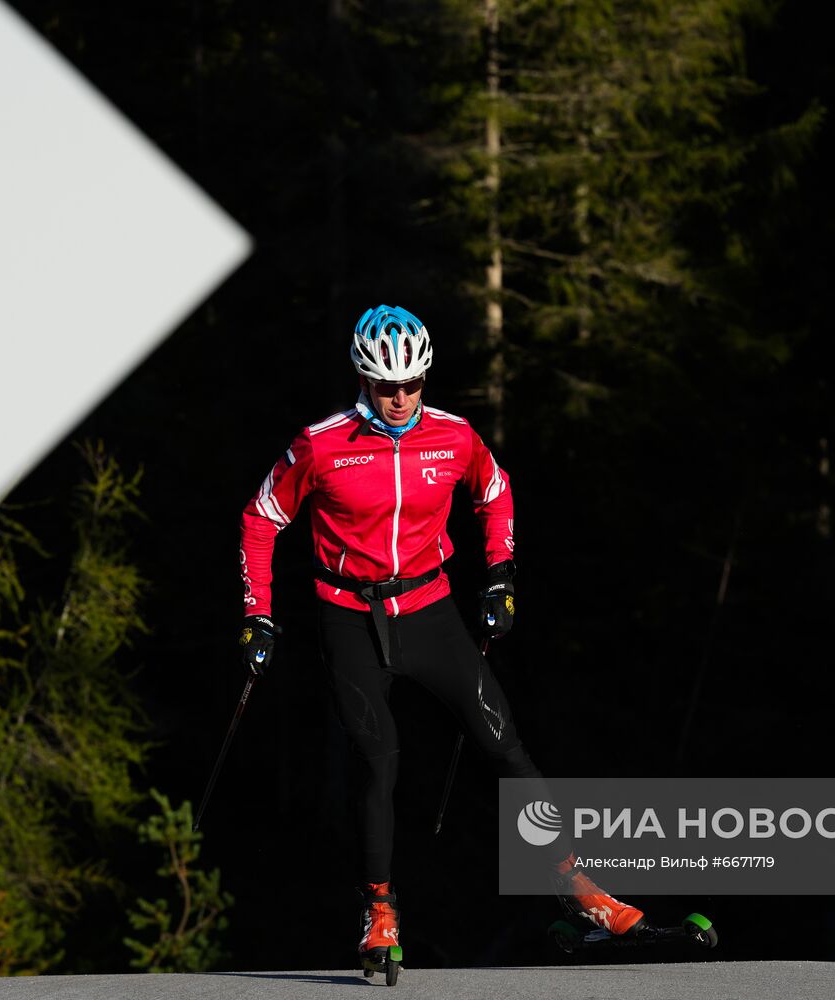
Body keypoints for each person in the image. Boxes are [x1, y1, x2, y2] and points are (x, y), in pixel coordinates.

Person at [236, 304, 645, 969]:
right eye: (384, 386)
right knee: (379, 758)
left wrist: (500, 577)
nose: (399, 399)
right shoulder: (320, 444)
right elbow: (260, 519)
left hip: (429, 608)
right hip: (348, 616)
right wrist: (259, 614)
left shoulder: (453, 438)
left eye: (411, 385)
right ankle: (379, 908)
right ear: (362, 380)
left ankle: (576, 886)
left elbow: (496, 493)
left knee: (504, 744)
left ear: (425, 378)